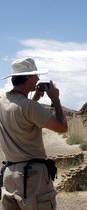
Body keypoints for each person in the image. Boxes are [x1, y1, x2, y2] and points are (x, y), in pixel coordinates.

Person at [0, 58, 68, 210]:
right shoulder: (29, 107)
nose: (38, 79)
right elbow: (62, 127)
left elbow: (22, 113)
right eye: (35, 75)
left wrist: (36, 96)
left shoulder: (3, 101)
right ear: (28, 77)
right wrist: (55, 98)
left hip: (9, 173)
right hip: (32, 175)